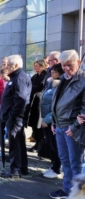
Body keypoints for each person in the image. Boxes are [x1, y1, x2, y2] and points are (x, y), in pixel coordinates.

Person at [49, 50, 84, 198]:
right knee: (65, 161)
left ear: (78, 63)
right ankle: (67, 190)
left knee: (75, 163)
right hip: (60, 125)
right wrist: (53, 121)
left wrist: (74, 127)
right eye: (64, 65)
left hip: (72, 128)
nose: (66, 69)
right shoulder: (63, 78)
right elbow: (56, 102)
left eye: (69, 65)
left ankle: (78, 195)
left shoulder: (83, 80)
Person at [0, 54, 32, 178]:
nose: (7, 68)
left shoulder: (19, 78)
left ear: (16, 65)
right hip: (13, 117)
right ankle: (22, 168)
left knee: (15, 144)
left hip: (15, 118)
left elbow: (21, 100)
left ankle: (15, 170)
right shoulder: (16, 77)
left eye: (9, 65)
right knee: (18, 143)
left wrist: (12, 116)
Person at [40, 64, 64, 179]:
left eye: (54, 72)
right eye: (52, 71)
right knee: (50, 145)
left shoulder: (60, 85)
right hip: (46, 119)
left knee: (55, 146)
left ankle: (57, 169)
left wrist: (47, 119)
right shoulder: (51, 83)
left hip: (52, 120)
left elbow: (57, 106)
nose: (52, 73)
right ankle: (54, 165)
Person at [26, 59, 48, 150]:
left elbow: (40, 87)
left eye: (37, 66)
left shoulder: (45, 76)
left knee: (39, 123)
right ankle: (37, 142)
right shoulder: (34, 76)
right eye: (34, 66)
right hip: (33, 102)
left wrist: (31, 87)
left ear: (43, 66)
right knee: (34, 124)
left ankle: (41, 144)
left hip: (40, 102)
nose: (35, 68)